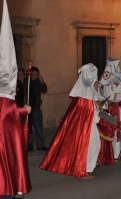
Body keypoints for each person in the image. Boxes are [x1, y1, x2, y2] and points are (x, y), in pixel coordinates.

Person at [40, 63, 104, 179]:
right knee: (91, 145)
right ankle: (83, 170)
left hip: (87, 125)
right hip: (88, 126)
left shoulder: (84, 92)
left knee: (91, 144)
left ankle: (84, 168)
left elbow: (92, 105)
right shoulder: (85, 95)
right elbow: (90, 113)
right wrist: (99, 116)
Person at [1, 0, 32, 197]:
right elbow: (13, 112)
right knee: (10, 160)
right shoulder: (7, 101)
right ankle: (7, 189)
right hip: (5, 140)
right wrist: (26, 110)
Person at [99, 58, 121, 160]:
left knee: (118, 129)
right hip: (108, 108)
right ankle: (109, 153)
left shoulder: (120, 80)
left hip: (117, 108)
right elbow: (102, 94)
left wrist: (118, 86)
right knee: (108, 129)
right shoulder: (104, 81)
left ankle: (118, 153)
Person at [27, 66, 48, 152]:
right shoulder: (27, 82)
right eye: (33, 74)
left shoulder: (38, 82)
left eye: (36, 74)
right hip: (28, 108)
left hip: (36, 108)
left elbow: (44, 90)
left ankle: (41, 145)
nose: (35, 76)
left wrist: (42, 81)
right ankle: (29, 145)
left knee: (38, 127)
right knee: (28, 128)